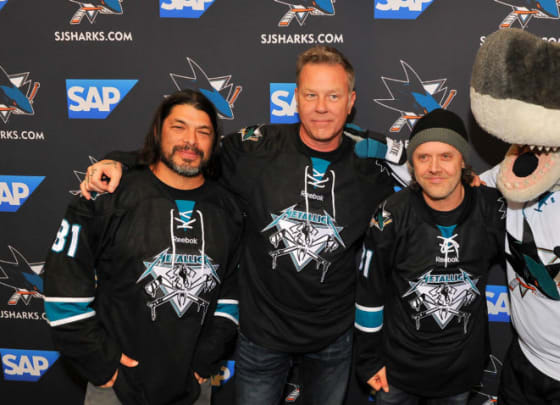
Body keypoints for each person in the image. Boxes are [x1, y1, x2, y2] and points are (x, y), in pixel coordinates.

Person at [78, 46, 396, 405]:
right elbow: (186, 152)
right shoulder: (254, 150)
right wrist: (117, 161)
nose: (321, 106)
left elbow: (431, 176)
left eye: (333, 95)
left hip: (333, 339)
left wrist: (470, 181)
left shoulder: (372, 169)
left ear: (350, 101)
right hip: (260, 336)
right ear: (295, 98)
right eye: (311, 94)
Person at [43, 90, 243, 405]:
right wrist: (100, 362)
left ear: (214, 141)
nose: (190, 140)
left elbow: (233, 291)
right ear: (157, 132)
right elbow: (62, 288)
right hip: (116, 389)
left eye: (203, 131)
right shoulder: (108, 195)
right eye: (179, 127)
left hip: (193, 388)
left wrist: (206, 357)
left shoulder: (229, 209)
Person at [354, 109, 505, 405]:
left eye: (446, 156)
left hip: (460, 375)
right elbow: (368, 293)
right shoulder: (391, 215)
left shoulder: (492, 210)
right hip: (396, 374)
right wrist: (368, 360)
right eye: (424, 157)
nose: (434, 168)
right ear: (411, 164)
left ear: (463, 160)